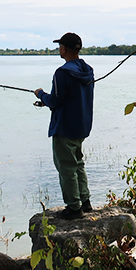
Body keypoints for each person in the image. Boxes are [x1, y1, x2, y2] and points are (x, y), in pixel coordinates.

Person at [34, 32, 95, 220]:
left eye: (60, 46)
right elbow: (71, 97)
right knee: (78, 164)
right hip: (82, 125)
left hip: (65, 127)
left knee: (66, 168)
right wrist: (48, 101)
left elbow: (55, 101)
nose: (59, 49)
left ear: (64, 49)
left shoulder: (62, 72)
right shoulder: (88, 70)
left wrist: (41, 94)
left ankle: (74, 208)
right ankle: (85, 201)